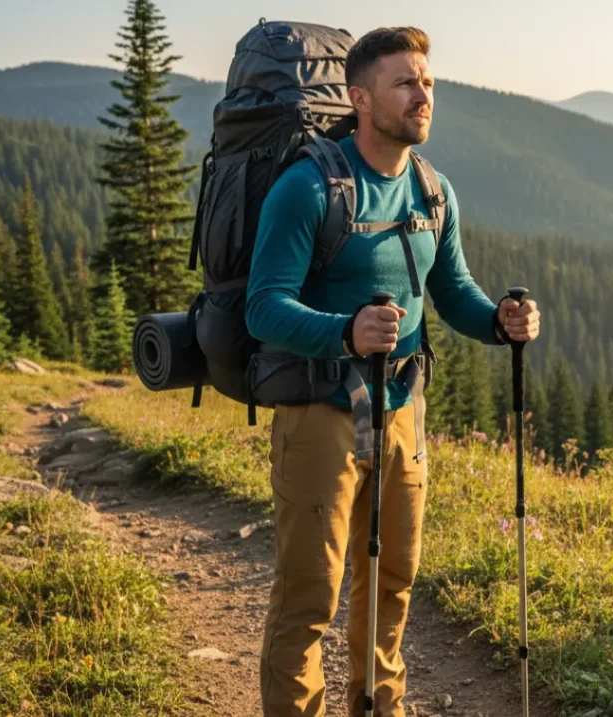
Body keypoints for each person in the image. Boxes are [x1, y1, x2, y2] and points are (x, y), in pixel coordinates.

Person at [244, 25, 542, 717]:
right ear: (360, 97)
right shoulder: (308, 188)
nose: (423, 95)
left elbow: (453, 291)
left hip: (405, 408)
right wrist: (344, 330)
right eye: (405, 82)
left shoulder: (434, 192)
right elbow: (263, 308)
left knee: (393, 581)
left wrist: (499, 320)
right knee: (309, 594)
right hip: (321, 413)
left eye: (428, 83)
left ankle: (381, 707)